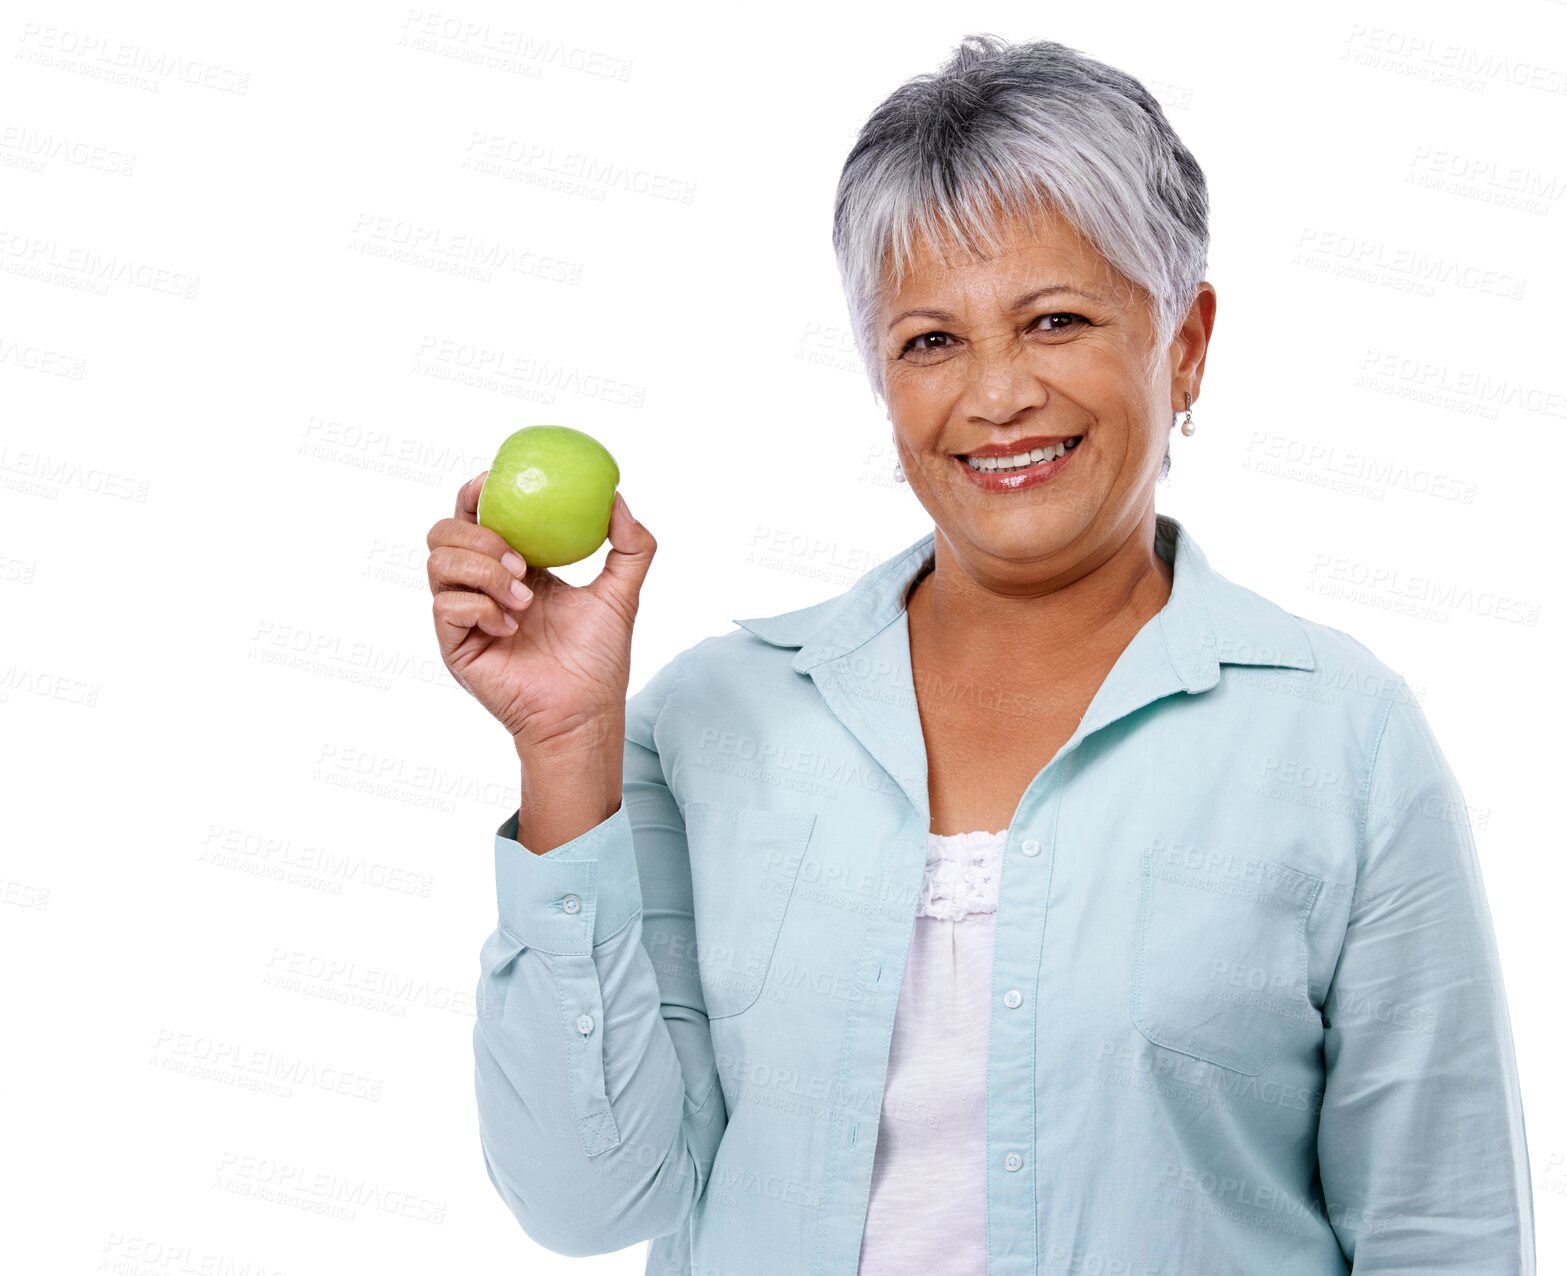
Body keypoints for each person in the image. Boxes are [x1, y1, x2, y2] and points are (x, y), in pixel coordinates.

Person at [425, 33, 1535, 1276]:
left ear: (1184, 341)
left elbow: (1445, 1237)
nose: (996, 394)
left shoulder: (1341, 739)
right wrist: (566, 750)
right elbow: (585, 1203)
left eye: (1054, 319)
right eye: (930, 342)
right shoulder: (708, 724)